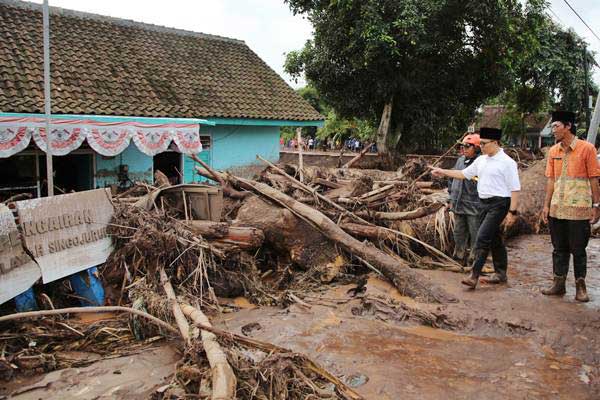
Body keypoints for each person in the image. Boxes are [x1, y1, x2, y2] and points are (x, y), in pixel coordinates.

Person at [431, 127, 520, 288]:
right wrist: (443, 172)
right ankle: (501, 273)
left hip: (499, 204)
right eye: (481, 144)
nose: (482, 147)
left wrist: (512, 212)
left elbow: (514, 188)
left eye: (484, 144)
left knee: (482, 237)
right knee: (495, 239)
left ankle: (474, 275)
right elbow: (464, 174)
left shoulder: (508, 163)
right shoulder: (482, 160)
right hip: (483, 203)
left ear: (495, 142)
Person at [541, 111, 600, 302]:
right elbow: (551, 181)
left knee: (579, 249)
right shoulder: (553, 151)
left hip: (579, 210)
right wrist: (546, 206)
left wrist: (596, 205)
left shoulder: (587, 149)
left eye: (556, 125)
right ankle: (558, 284)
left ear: (568, 126)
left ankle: (580, 287)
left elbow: (593, 179)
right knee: (559, 248)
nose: (553, 130)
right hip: (557, 208)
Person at [448, 134, 482, 265]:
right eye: (463, 146)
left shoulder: (480, 163)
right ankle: (458, 256)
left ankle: (474, 259)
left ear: (477, 148)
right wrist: (451, 198)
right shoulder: (460, 161)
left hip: (474, 206)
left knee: (475, 233)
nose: (464, 149)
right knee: (458, 232)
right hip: (458, 204)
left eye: (468, 146)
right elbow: (452, 180)